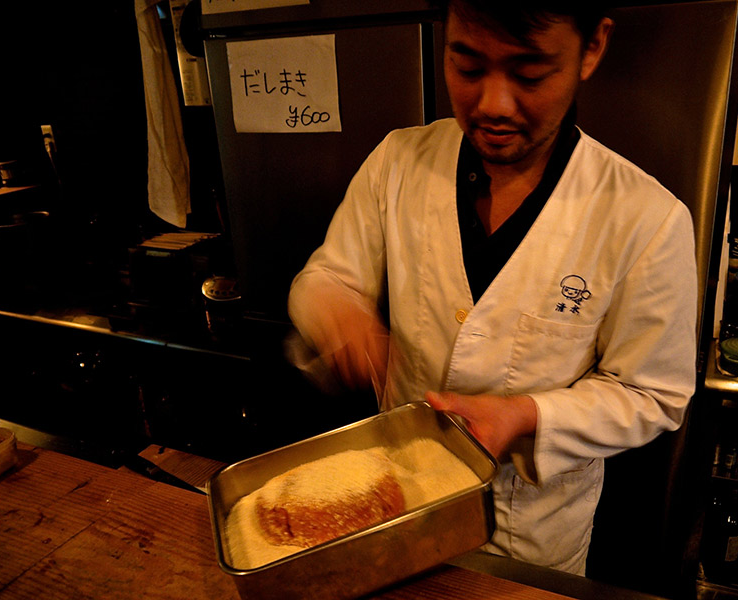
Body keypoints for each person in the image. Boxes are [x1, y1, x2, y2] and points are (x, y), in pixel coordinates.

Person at [287, 0, 697, 576]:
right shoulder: (398, 162)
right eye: (468, 67)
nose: (493, 105)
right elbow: (327, 276)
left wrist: (526, 416)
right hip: (392, 512)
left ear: (593, 47)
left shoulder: (647, 217)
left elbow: (655, 395)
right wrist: (334, 309)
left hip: (531, 544)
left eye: (530, 74)